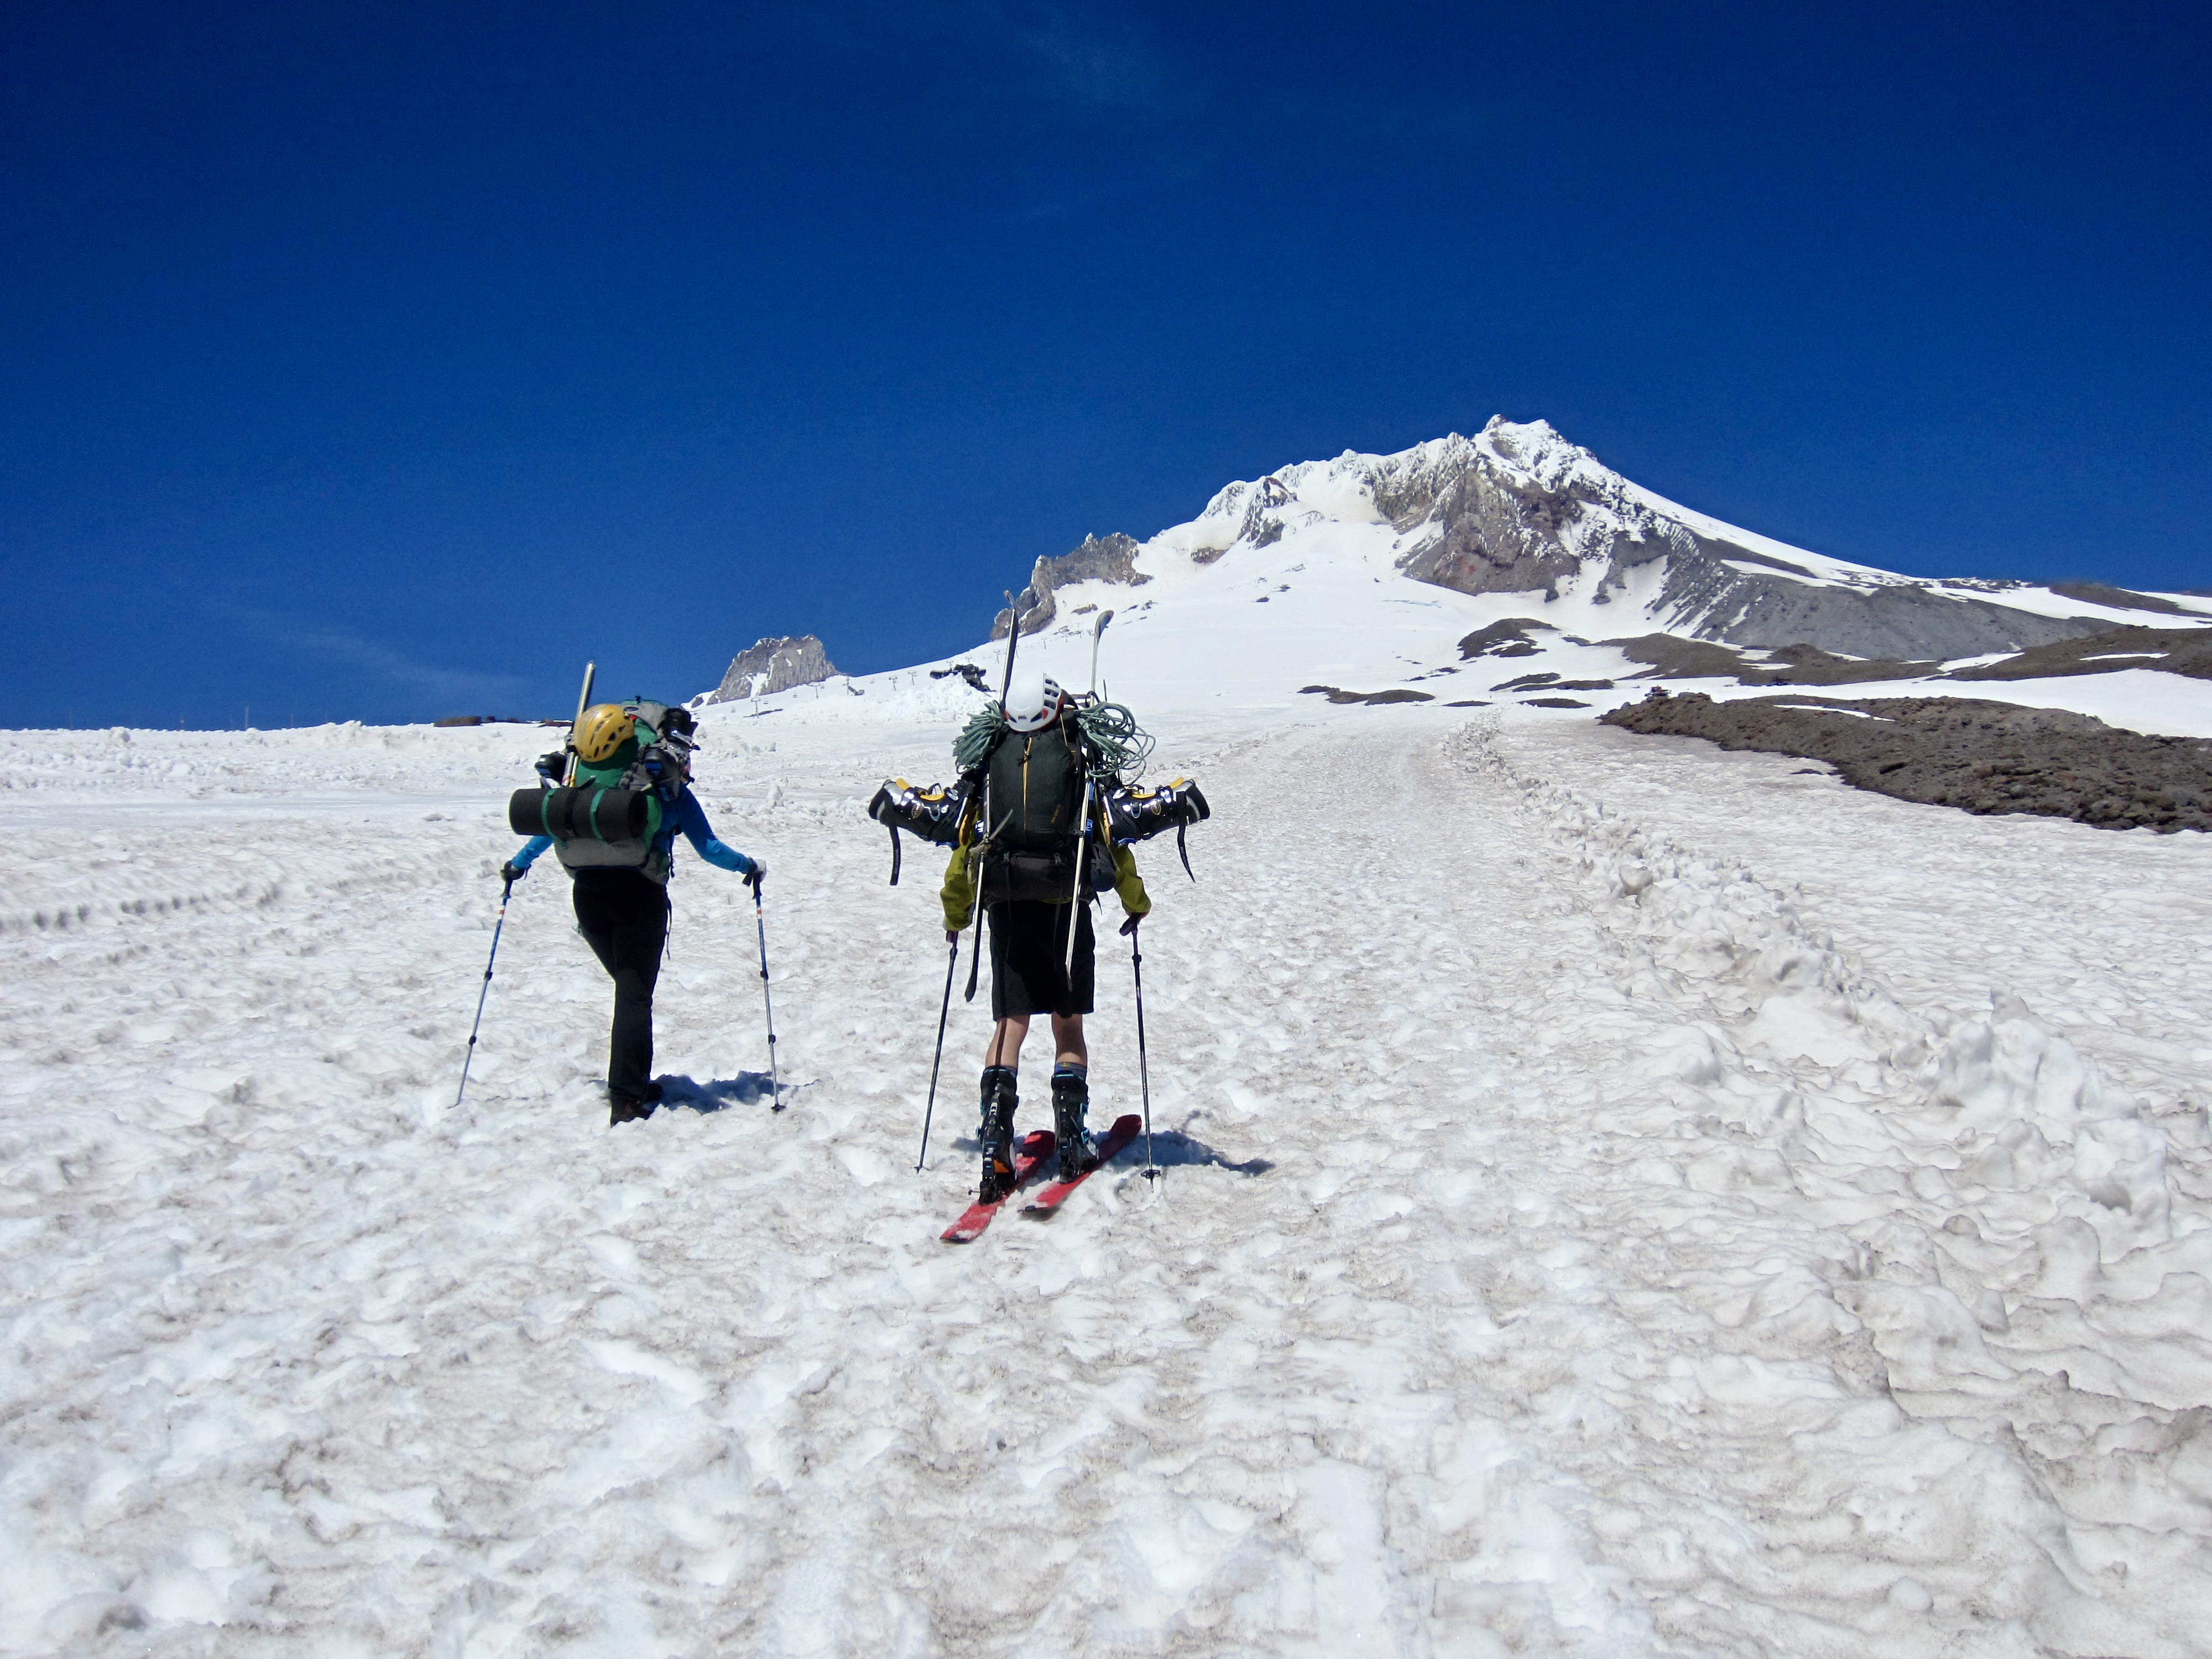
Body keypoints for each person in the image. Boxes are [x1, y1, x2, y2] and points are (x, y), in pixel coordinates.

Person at [940, 661, 1150, 1199]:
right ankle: (1073, 1140)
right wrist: (1135, 901)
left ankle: (996, 1141)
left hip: (1006, 905)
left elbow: (968, 841)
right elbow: (1110, 834)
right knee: (1067, 1025)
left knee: (1010, 1024)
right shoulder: (1077, 751)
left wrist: (957, 913)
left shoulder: (994, 755)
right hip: (1065, 905)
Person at [503, 700, 761, 1123]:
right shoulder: (666, 790)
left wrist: (518, 865)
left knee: (630, 992)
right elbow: (710, 849)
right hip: (639, 896)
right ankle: (626, 1098)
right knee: (634, 995)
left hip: (587, 897)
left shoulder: (579, 785)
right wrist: (748, 866)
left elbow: (551, 827)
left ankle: (634, 1084)